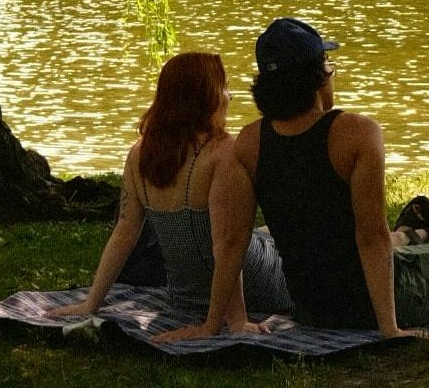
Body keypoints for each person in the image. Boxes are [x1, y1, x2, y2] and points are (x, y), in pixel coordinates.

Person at [187, 18, 429, 340]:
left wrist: (212, 324)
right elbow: (371, 237)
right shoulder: (357, 134)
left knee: (425, 255)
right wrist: (389, 328)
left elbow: (232, 240)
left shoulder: (249, 144)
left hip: (313, 310)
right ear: (319, 77)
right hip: (389, 298)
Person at [53, 51, 292, 328]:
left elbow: (124, 233)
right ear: (206, 96)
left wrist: (90, 303)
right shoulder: (223, 152)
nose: (230, 96)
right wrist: (232, 321)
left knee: (263, 236)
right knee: (293, 242)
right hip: (260, 288)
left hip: (186, 297)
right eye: (223, 88)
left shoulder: (139, 155)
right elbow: (227, 247)